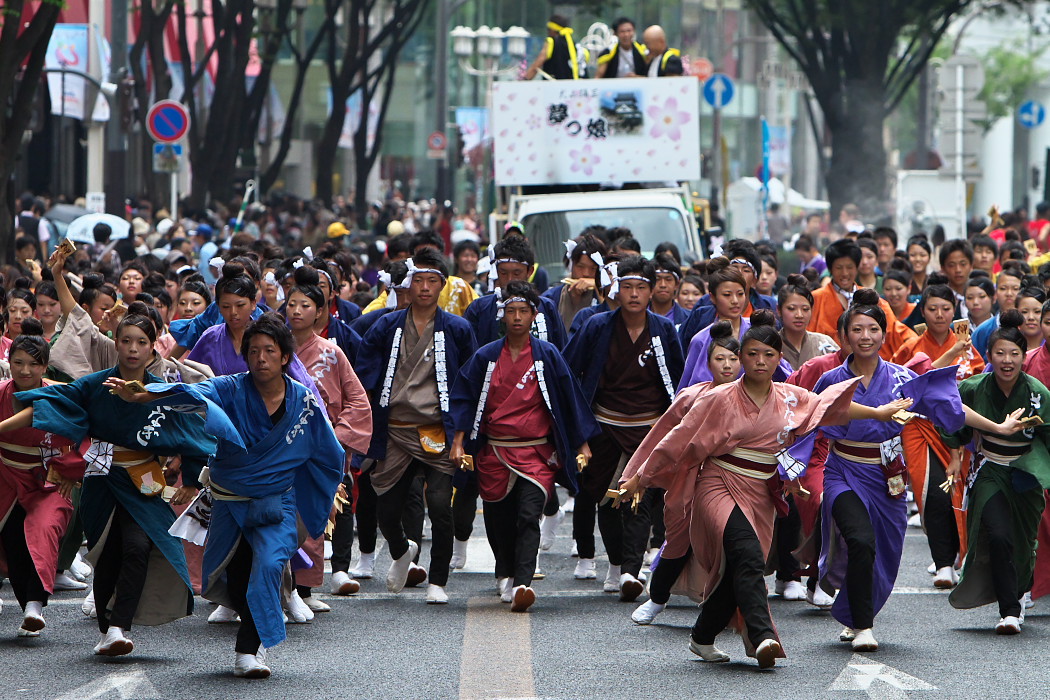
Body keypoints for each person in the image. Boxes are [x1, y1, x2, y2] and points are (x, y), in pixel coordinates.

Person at [618, 310, 895, 668]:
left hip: (762, 490)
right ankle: (763, 636)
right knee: (747, 555)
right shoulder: (717, 399)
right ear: (741, 357)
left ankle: (702, 636)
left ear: (779, 358)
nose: (760, 361)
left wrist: (878, 412)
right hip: (718, 482)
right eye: (751, 354)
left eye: (768, 354)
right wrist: (640, 476)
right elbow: (677, 440)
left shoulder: (791, 397)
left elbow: (829, 407)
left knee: (740, 568)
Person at [107, 313, 345, 677]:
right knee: (236, 572)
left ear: (284, 357)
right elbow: (193, 394)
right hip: (230, 503)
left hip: (276, 504)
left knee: (267, 566)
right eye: (253, 351)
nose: (260, 358)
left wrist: (326, 494)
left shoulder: (304, 403)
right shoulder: (231, 388)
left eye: (269, 351)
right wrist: (148, 395)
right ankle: (255, 630)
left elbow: (328, 455)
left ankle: (249, 650)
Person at [3, 304, 216, 657]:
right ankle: (107, 628)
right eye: (127, 340)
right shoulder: (93, 386)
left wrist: (191, 482)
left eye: (142, 342)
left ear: (153, 347)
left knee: (137, 546)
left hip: (144, 481)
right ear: (115, 342)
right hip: (101, 480)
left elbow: (195, 431)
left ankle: (119, 626)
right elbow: (50, 401)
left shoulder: (162, 394)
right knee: (106, 553)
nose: (133, 349)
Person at [813, 288, 974, 651]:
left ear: (884, 334)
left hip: (888, 476)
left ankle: (855, 613)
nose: (865, 336)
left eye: (872, 329)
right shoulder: (830, 380)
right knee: (860, 540)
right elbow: (809, 418)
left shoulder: (902, 378)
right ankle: (865, 627)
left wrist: (996, 428)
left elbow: (948, 405)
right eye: (857, 329)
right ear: (844, 336)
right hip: (843, 471)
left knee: (882, 551)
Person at [450, 282, 598, 611]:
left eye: (523, 311)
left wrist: (582, 443)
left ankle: (522, 582)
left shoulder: (547, 355)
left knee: (529, 515)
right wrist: (459, 441)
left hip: (537, 452)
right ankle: (504, 571)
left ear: (534, 315)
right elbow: (464, 398)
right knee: (499, 517)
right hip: (495, 451)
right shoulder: (486, 357)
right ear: (502, 317)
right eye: (511, 311)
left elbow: (569, 400)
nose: (517, 318)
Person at [356, 249, 478, 604]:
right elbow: (365, 375)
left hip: (439, 429)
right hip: (396, 427)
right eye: (418, 281)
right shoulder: (387, 325)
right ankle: (400, 550)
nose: (425, 288)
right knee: (387, 507)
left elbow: (470, 381)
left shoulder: (457, 328)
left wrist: (463, 434)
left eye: (432, 281)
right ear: (408, 285)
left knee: (440, 504)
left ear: (443, 285)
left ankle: (437, 580)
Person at [563, 255, 684, 599]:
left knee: (640, 498)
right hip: (604, 424)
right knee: (606, 499)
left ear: (651, 291)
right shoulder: (597, 326)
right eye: (627, 286)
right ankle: (616, 563)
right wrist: (579, 429)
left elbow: (678, 381)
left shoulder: (662, 331)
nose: (633, 294)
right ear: (617, 288)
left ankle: (631, 571)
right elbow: (570, 371)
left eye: (641, 287)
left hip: (648, 427)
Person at [940, 310, 1050, 634]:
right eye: (999, 353)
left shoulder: (1038, 394)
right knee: (999, 534)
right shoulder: (973, 388)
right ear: (988, 356)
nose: (1006, 360)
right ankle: (1009, 612)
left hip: (1026, 472)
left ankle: (1020, 589)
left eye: (1014, 353)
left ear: (1024, 355)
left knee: (1023, 540)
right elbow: (953, 422)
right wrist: (955, 457)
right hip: (989, 469)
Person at [624, 320, 740, 625]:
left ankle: (729, 609)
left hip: (738, 479)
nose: (727, 365)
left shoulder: (754, 395)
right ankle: (658, 597)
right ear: (707, 361)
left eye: (733, 358)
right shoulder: (691, 396)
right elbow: (663, 437)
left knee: (736, 542)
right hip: (692, 475)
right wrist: (640, 474)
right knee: (678, 540)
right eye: (720, 358)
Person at [285, 266, 373, 608]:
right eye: (291, 303)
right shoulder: (273, 349)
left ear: (321, 312)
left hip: (320, 448)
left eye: (305, 305)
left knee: (312, 518)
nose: (296, 311)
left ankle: (304, 590)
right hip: (281, 446)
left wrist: (335, 438)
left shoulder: (332, 353)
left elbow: (357, 399)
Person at [892, 285, 984, 589]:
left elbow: (980, 381)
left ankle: (960, 555)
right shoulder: (913, 346)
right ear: (923, 311)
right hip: (921, 427)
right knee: (932, 493)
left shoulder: (969, 347)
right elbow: (907, 384)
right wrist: (951, 354)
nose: (939, 314)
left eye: (945, 308)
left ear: (954, 310)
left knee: (962, 492)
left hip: (960, 427)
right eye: (932, 309)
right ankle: (943, 562)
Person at [0, 320, 85, 637]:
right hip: (6, 477)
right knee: (12, 539)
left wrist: (70, 470)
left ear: (45, 366)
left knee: (44, 529)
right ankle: (28, 606)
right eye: (18, 362)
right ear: (10, 362)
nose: (24, 370)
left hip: (47, 479)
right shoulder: (0, 394)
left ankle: (36, 604)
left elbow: (82, 438)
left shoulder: (60, 397)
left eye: (33, 364)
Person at [680, 258, 791, 387]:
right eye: (727, 295)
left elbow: (784, 373)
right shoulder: (701, 339)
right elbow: (688, 390)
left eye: (740, 294)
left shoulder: (758, 331)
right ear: (712, 297)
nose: (735, 301)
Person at [807, 239, 916, 359]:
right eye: (839, 267)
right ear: (830, 269)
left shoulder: (872, 297)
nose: (845, 273)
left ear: (857, 267)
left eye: (849, 267)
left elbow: (897, 332)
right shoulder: (815, 299)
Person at [543, 234, 607, 333]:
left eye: (593, 268)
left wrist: (598, 286)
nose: (586, 273)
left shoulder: (609, 296)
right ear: (571, 265)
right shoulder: (550, 298)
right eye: (580, 267)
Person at [778, 274, 839, 371]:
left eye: (805, 309)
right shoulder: (771, 345)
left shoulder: (825, 343)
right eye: (791, 309)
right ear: (779, 310)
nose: (799, 315)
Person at [971, 267, 1025, 360]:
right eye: (1003, 288)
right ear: (995, 294)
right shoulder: (982, 331)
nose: (1009, 293)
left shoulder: (1031, 327)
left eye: (1015, 288)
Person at [525, 14, 581, 80]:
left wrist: (524, 80)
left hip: (553, 86)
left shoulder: (551, 42)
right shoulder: (574, 45)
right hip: (571, 86)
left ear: (553, 30)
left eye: (548, 29)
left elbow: (537, 65)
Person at [650, 254, 689, 327]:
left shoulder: (689, 319)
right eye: (657, 279)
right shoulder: (637, 317)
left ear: (677, 284)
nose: (663, 285)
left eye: (668, 279)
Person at [2, 281, 35, 361]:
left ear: (34, 314)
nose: (18, 316)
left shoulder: (40, 345)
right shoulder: (1, 341)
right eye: (12, 310)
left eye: (24, 311)